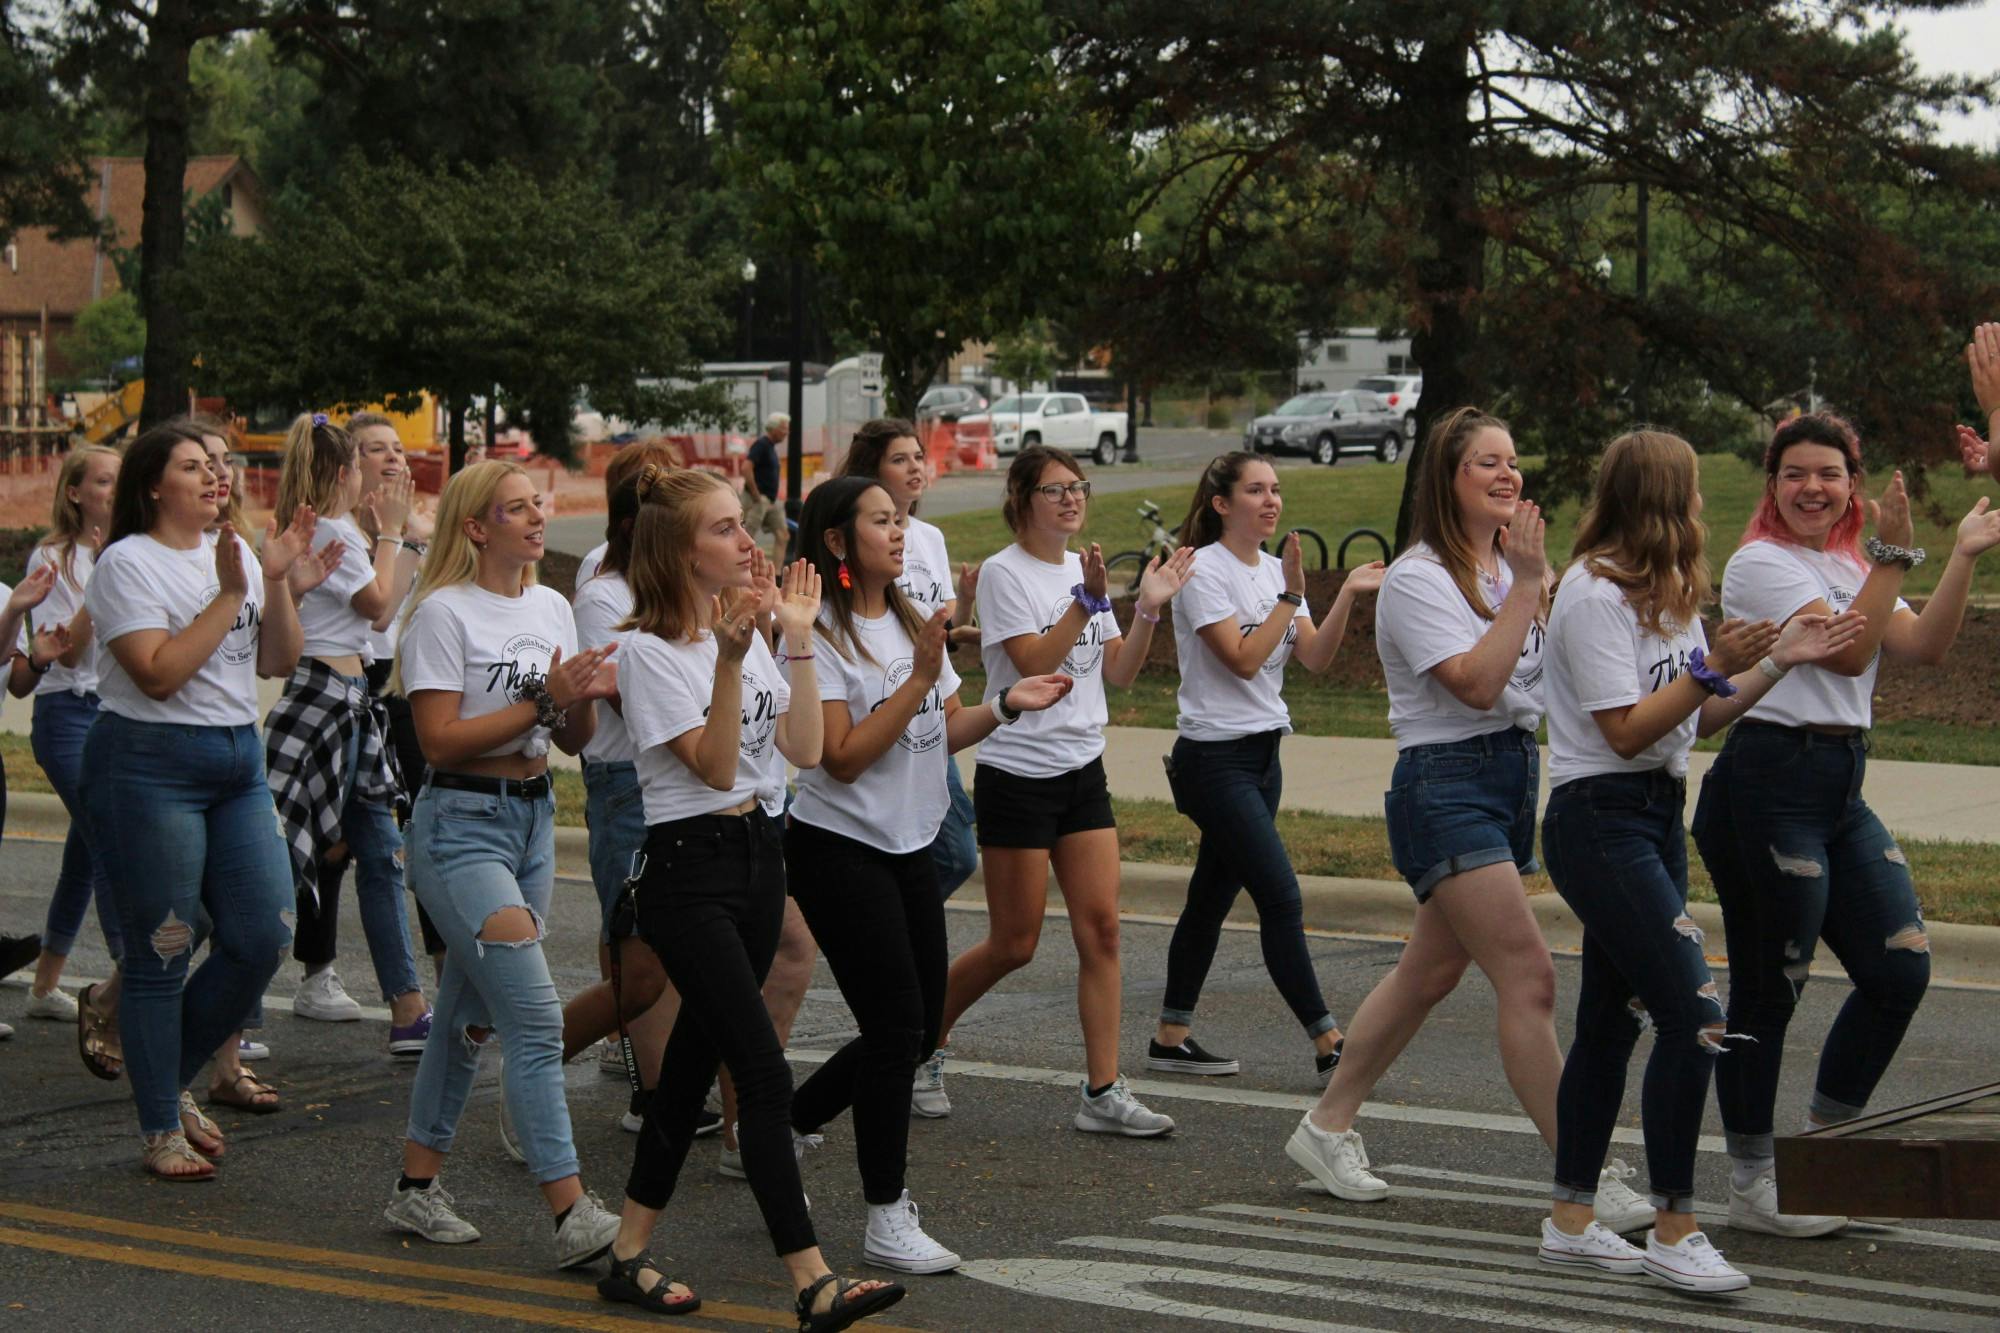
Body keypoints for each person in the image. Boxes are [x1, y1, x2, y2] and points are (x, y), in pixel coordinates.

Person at [1284, 410, 1638, 1216]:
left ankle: (1327, 1122)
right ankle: (1582, 1169)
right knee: (1530, 974)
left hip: (1510, 776)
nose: (1509, 475)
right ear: (1449, 479)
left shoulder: (1509, 571)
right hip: (1444, 781)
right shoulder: (1420, 578)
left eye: (1513, 462)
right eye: (1488, 463)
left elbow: (1546, 686)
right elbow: (1476, 684)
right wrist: (1526, 586)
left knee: (1430, 971)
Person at [1534, 429, 1863, 1293]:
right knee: (1698, 1013)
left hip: (1652, 812)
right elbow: (1625, 728)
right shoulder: (1592, 593)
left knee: (1610, 1020)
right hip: (1596, 817)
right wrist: (1714, 667)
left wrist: (1773, 666)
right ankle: (1677, 1227)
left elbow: (1692, 723)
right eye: (1690, 493)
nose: (1703, 510)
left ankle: (1570, 1218)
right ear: (1658, 500)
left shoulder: (1670, 595)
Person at [601, 463, 906, 1331]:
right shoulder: (649, 651)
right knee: (765, 1076)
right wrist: (731, 660)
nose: (749, 541)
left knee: (691, 1070)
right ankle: (812, 1280)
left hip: (758, 860)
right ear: (681, 549)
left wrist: (797, 638)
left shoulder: (750, 632)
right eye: (727, 528)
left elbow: (804, 748)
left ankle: (626, 1254)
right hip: (689, 870)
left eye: (744, 524)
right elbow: (716, 766)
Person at [1692, 411, 2000, 1237]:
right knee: (1771, 983)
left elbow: (1923, 647)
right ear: (1771, 485)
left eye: (1829, 473)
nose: (1812, 487)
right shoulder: (1759, 563)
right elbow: (1847, 652)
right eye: (1795, 473)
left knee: (1900, 971)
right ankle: (1756, 1180)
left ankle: (1828, 1154)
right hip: (1766, 780)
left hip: (1838, 784)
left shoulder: (1845, 563)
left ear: (1851, 486)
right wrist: (1892, 558)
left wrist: (1961, 554)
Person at [788, 476, 1070, 1273]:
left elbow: (943, 729)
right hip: (838, 847)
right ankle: (885, 1212)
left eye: (901, 517)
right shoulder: (818, 633)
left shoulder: (911, 618)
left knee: (916, 1029)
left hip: (910, 842)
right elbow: (838, 759)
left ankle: (787, 1120)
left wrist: (1010, 703)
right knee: (894, 1027)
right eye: (881, 519)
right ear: (838, 541)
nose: (900, 529)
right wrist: (915, 677)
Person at [380, 460, 626, 1269]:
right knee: (534, 1017)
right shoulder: (442, 614)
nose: (536, 516)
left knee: (465, 1016)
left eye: (538, 504)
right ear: (477, 526)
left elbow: (574, 739)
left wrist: (581, 693)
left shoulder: (551, 603)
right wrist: (547, 698)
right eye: (515, 508)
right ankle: (570, 1209)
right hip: (459, 826)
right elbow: (441, 738)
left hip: (531, 821)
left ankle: (416, 1187)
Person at [79, 421, 335, 1179]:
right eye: (192, 467)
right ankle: (161, 1121)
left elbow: (278, 659)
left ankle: (167, 1077)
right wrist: (231, 593)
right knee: (164, 945)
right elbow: (158, 671)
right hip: (148, 763)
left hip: (234, 759)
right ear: (154, 485)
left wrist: (277, 579)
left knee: (263, 932)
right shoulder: (126, 563)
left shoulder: (241, 559)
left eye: (215, 467)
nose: (213, 477)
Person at [931, 444, 1193, 1134]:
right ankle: (922, 1035)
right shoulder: (1001, 574)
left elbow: (1120, 672)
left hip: (1082, 770)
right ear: (1022, 500)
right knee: (1014, 943)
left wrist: (1148, 612)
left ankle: (1102, 1090)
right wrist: (1088, 601)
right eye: (1055, 490)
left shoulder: (1085, 568)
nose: (1072, 498)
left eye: (1078, 486)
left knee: (1101, 929)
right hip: (1017, 773)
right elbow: (1033, 664)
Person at [1146, 451, 1383, 1083]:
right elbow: (1244, 659)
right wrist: (1291, 596)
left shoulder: (1279, 571)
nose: (1271, 500)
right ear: (1223, 503)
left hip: (1262, 757)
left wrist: (1346, 597)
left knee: (1210, 898)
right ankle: (1328, 1039)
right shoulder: (1202, 572)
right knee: (1280, 895)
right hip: (1212, 760)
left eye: (1276, 489)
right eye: (1256, 490)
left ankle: (1170, 1036)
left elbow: (1313, 659)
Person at [263, 414, 431, 1057]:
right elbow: (379, 606)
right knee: (280, 852)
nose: (375, 472)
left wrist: (397, 538)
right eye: (364, 461)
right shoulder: (333, 527)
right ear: (344, 471)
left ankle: (407, 1006)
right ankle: (228, 1006)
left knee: (383, 852)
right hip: (322, 700)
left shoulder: (328, 528)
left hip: (351, 701)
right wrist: (394, 534)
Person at [9, 446, 120, 1025]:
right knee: (109, 840)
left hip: (112, 713)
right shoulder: (52, 557)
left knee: (83, 850)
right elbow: (66, 648)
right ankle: (132, 977)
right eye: (102, 481)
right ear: (74, 492)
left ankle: (44, 984)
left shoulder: (132, 550)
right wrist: (105, 575)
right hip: (67, 714)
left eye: (120, 481)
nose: (112, 490)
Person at [744, 413, 793, 562]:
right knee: (746, 536)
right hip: (759, 499)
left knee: (783, 535)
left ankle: (777, 575)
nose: (787, 432)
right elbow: (746, 467)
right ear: (773, 428)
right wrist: (756, 495)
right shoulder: (762, 444)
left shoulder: (771, 448)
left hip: (770, 501)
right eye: (784, 428)